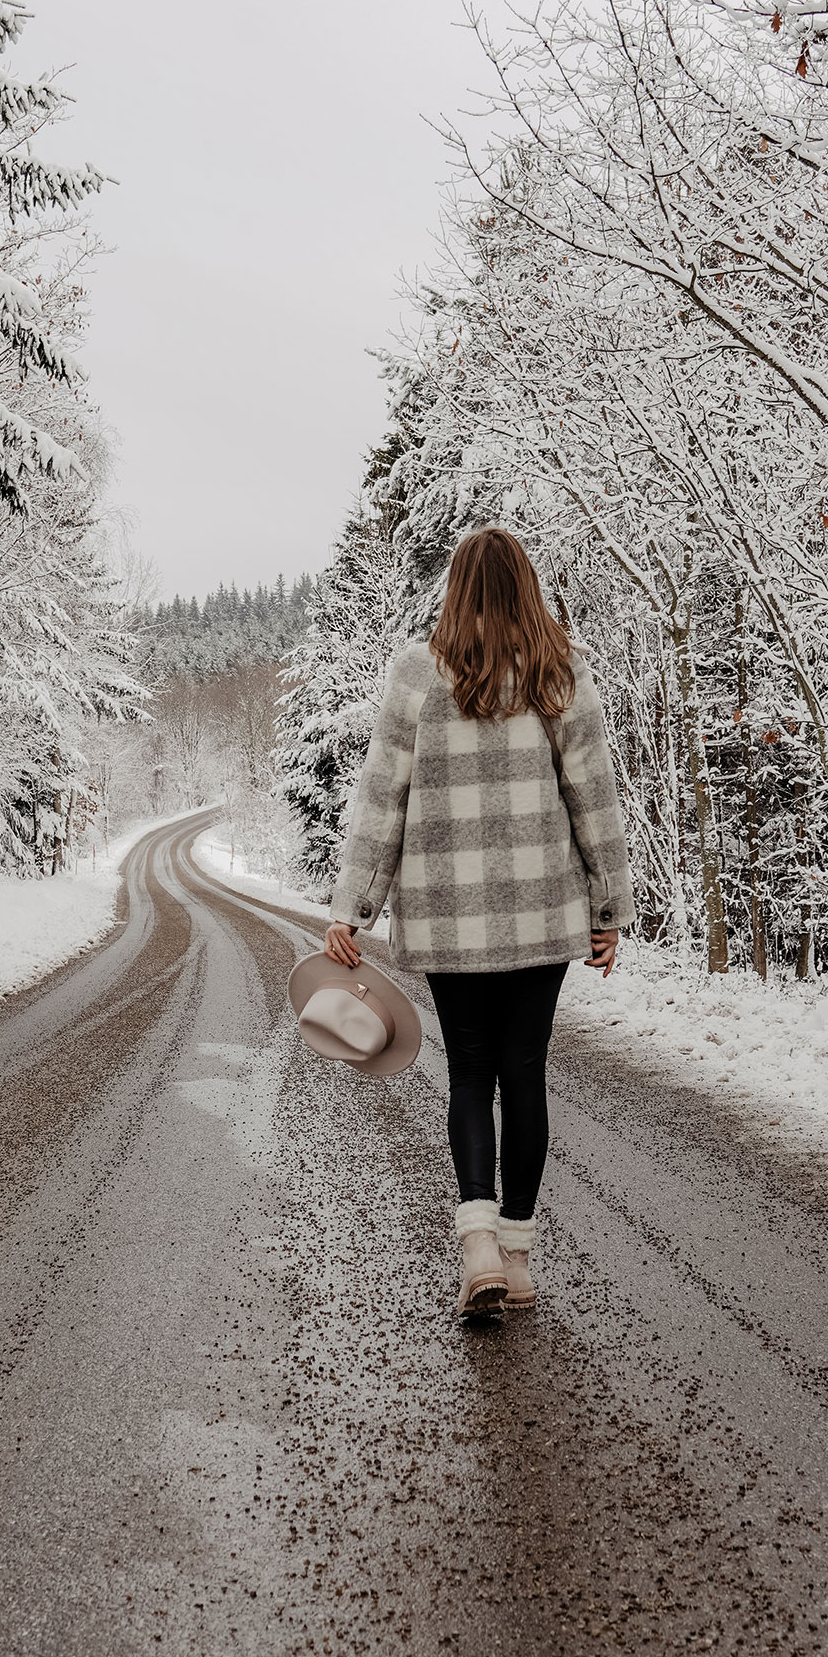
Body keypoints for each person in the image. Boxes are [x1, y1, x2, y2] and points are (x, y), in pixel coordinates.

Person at [324, 526, 634, 1320]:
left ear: (454, 589)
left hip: (447, 915)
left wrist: (352, 908)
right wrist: (608, 909)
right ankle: (519, 1262)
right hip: (542, 910)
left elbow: (380, 799)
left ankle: (476, 1249)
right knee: (522, 1073)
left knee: (468, 1075)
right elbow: (591, 795)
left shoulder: (414, 675)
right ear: (525, 586)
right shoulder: (557, 668)